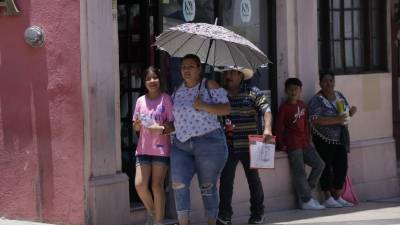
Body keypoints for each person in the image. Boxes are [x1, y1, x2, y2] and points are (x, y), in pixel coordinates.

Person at [170, 54, 231, 225]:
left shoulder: (209, 85)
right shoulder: (177, 91)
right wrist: (166, 127)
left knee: (207, 187)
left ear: (199, 69)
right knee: (178, 183)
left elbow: (226, 109)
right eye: (183, 67)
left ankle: (211, 222)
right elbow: (178, 121)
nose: (186, 70)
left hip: (209, 143)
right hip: (181, 145)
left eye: (191, 66)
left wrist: (204, 105)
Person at [217, 67, 272, 225]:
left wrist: (267, 128)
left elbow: (266, 110)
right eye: (226, 73)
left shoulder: (253, 91)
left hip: (250, 145)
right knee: (226, 180)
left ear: (241, 75)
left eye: (232, 73)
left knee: (253, 180)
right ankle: (225, 215)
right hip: (228, 146)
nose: (228, 76)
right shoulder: (220, 93)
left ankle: (257, 213)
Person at [275, 78, 325, 210]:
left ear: (300, 91)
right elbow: (279, 128)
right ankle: (306, 200)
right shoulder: (284, 108)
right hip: (292, 144)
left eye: (296, 89)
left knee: (319, 164)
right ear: (286, 91)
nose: (293, 92)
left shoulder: (302, 105)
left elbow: (307, 125)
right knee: (300, 172)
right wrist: (280, 144)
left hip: (305, 143)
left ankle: (306, 191)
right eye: (290, 89)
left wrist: (309, 139)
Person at [308, 72, 357, 208]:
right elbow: (315, 119)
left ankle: (337, 195)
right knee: (326, 167)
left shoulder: (339, 95)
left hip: (340, 137)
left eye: (331, 80)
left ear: (334, 82)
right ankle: (327, 197)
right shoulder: (317, 100)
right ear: (320, 83)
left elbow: (344, 114)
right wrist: (337, 119)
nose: (328, 83)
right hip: (324, 139)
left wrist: (350, 113)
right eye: (325, 81)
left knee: (342, 166)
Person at [133, 66, 175, 225]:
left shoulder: (166, 99)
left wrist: (161, 128)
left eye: (155, 77)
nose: (152, 81)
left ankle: (158, 222)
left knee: (156, 186)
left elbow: (174, 125)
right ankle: (153, 211)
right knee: (139, 185)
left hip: (161, 150)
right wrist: (136, 125)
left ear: (159, 80)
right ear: (144, 82)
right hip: (143, 149)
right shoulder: (139, 101)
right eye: (148, 78)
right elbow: (135, 126)